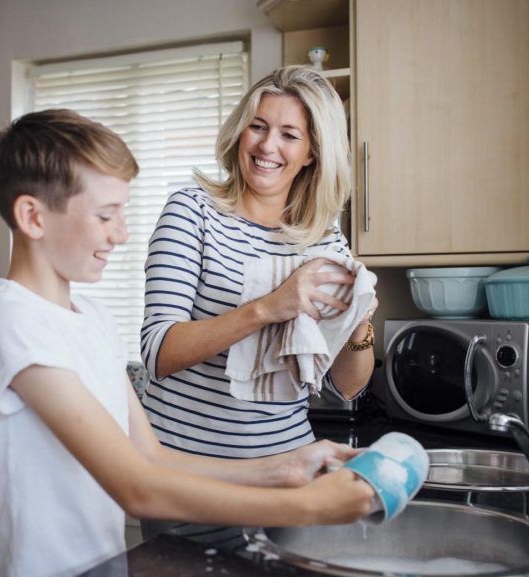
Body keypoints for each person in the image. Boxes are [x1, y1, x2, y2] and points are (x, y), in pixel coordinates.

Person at [0, 108, 374, 577]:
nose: (122, 234)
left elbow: (149, 455)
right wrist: (309, 508)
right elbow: (137, 487)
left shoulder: (90, 318)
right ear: (32, 216)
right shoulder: (10, 322)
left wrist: (285, 470)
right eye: (105, 215)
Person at [140, 65, 378, 546]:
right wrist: (269, 306)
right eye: (259, 126)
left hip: (290, 482)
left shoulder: (324, 237)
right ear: (240, 130)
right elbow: (157, 352)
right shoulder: (192, 212)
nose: (268, 146)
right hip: (190, 485)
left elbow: (345, 386)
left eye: (290, 134)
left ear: (312, 153)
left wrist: (358, 326)